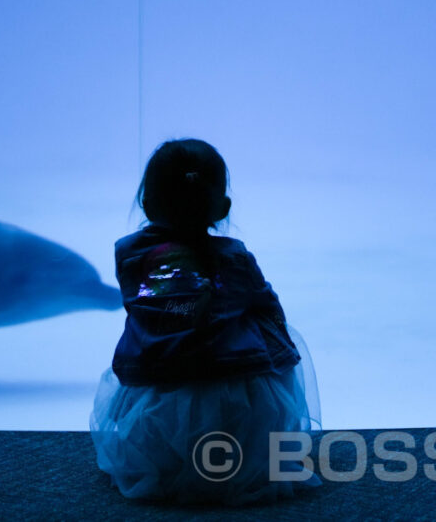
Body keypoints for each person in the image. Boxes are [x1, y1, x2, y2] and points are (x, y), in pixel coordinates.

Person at [90, 138, 321, 505]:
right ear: (223, 207)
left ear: (147, 204)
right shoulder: (234, 258)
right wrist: (279, 340)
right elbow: (266, 303)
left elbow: (142, 305)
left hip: (159, 375)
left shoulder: (129, 255)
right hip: (233, 384)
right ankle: (239, 457)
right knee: (271, 338)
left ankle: (165, 460)